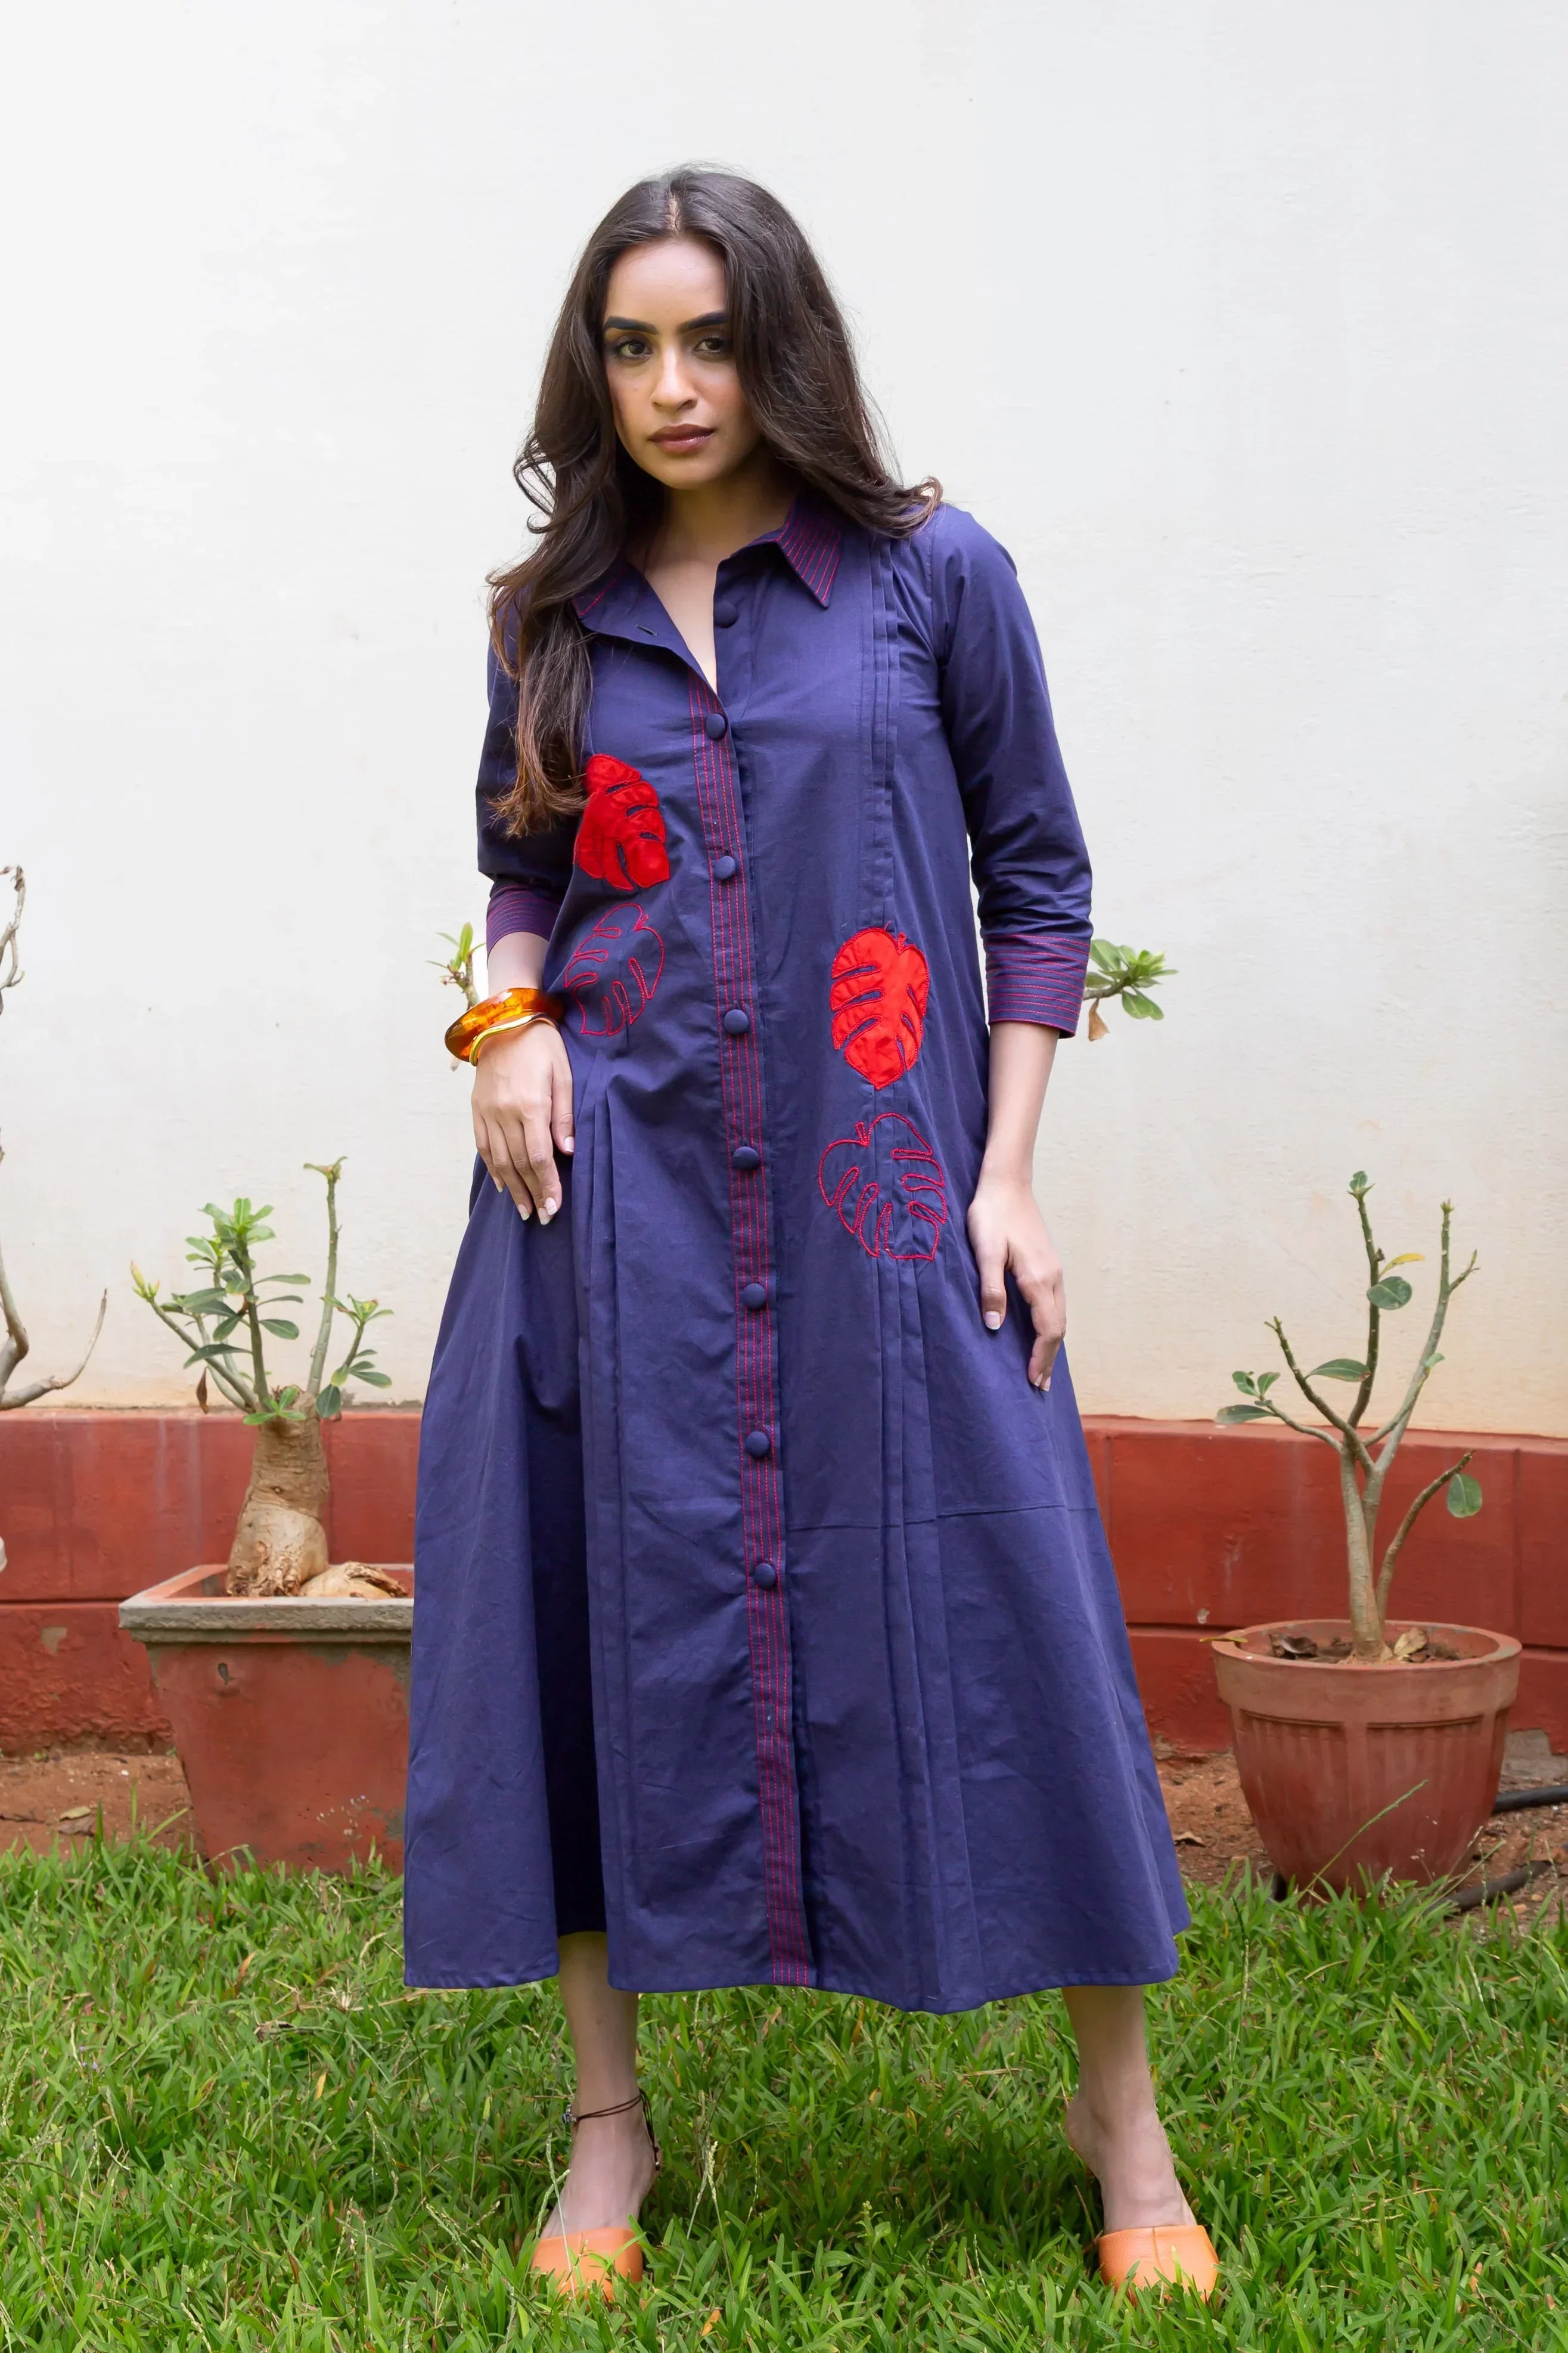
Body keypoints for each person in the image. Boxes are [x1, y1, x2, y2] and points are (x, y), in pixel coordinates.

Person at [403, 167, 1216, 2305]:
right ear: (592, 367)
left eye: (708, 336)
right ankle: (609, 2123)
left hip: (881, 1199)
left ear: (785, 337)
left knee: (1008, 1591)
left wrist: (1007, 1167)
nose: (672, 386)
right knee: (584, 1623)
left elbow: (1038, 883)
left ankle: (1118, 2112)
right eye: (629, 345)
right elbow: (515, 865)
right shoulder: (545, 618)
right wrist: (503, 1023)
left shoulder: (934, 581)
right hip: (608, 1210)